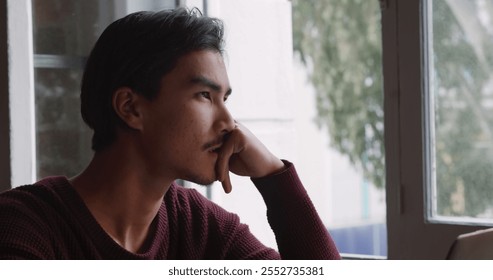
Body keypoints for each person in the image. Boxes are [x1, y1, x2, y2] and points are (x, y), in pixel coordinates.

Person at [0, 8, 340, 260]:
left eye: (225, 99)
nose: (229, 124)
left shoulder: (198, 226)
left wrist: (273, 176)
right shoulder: (23, 226)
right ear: (131, 108)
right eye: (205, 96)